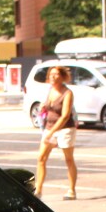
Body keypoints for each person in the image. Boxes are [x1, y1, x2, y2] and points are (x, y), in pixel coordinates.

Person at [35, 66, 77, 200]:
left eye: (56, 74)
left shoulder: (67, 93)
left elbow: (65, 116)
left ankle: (71, 190)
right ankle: (38, 190)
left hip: (65, 129)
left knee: (69, 159)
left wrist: (52, 132)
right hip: (49, 127)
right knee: (41, 158)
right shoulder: (50, 90)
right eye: (51, 74)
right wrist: (43, 106)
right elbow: (48, 106)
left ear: (62, 76)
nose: (52, 77)